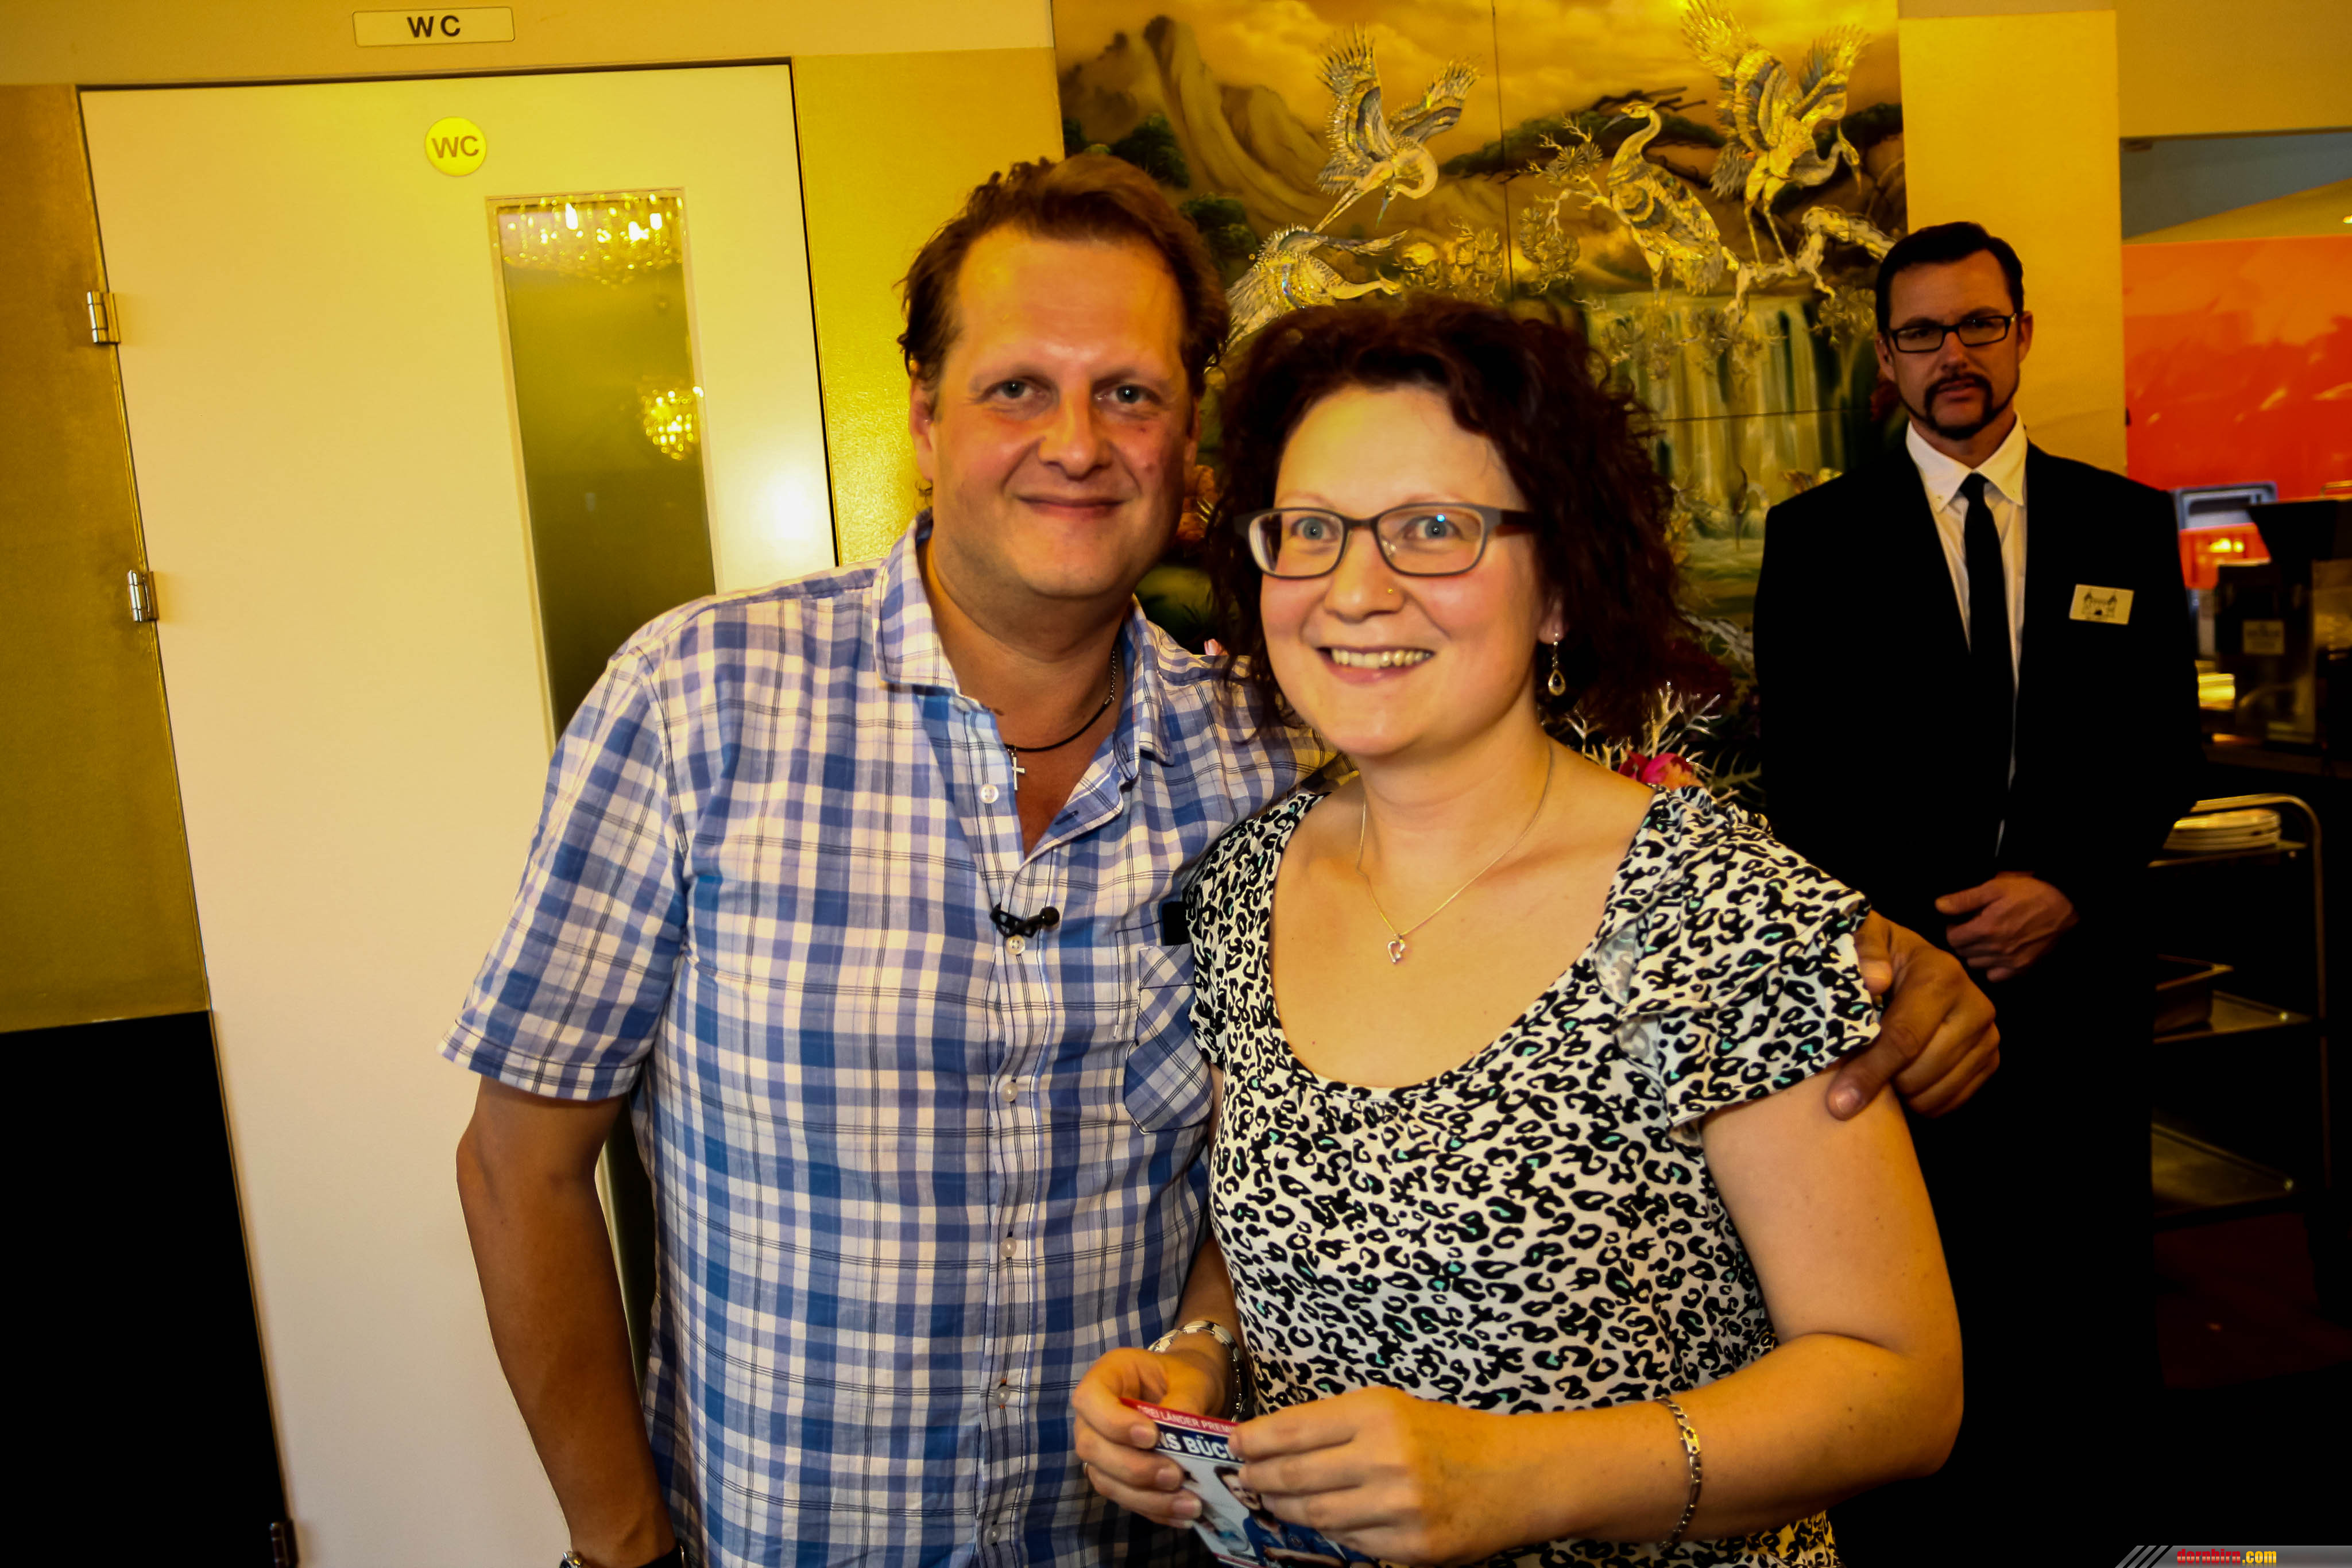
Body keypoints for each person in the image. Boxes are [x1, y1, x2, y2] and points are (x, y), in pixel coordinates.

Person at [447, 156, 1995, 1568]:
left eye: (1126, 392)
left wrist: (1870, 955)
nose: (1074, 443)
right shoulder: (706, 705)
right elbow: (519, 1165)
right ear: (922, 415)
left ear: (1185, 443)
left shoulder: (1260, 760)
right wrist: (619, 1547)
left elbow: (1570, 828)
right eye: (1016, 387)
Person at [1073, 296, 1962, 1566]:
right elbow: (1271, 1221)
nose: (1354, 590)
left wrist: (1524, 1477)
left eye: (1435, 529)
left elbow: (1900, 1384)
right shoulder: (1240, 887)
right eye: (1311, 530)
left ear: (1557, 586)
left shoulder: (1712, 912)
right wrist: (1198, 1357)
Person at [1751, 221, 2203, 1556]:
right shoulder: (1814, 539)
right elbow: (1803, 782)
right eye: (1920, 333)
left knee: (2087, 1297)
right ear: (1883, 357)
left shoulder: (2124, 522)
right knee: (1926, 1288)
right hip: (1902, 998)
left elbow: (2164, 748)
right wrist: (1907, 942)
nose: (1951, 355)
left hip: (2076, 985)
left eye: (1976, 325)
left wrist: (2064, 881)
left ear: (2020, 333)